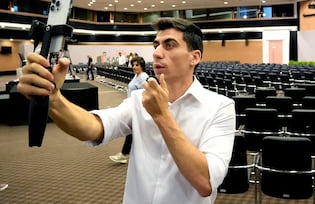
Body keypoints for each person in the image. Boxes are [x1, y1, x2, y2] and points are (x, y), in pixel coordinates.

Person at [17, 18, 236, 204]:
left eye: (169, 45)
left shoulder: (220, 107)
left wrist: (161, 116)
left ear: (194, 57)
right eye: (156, 45)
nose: (157, 53)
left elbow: (205, 182)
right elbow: (95, 127)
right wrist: (54, 98)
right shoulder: (140, 99)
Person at [109, 56, 149, 164]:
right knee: (134, 131)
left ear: (142, 66)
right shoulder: (137, 76)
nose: (134, 67)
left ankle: (123, 154)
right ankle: (129, 154)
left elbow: (145, 93)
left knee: (131, 131)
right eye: (133, 65)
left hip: (137, 108)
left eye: (137, 65)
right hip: (131, 107)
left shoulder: (143, 77)